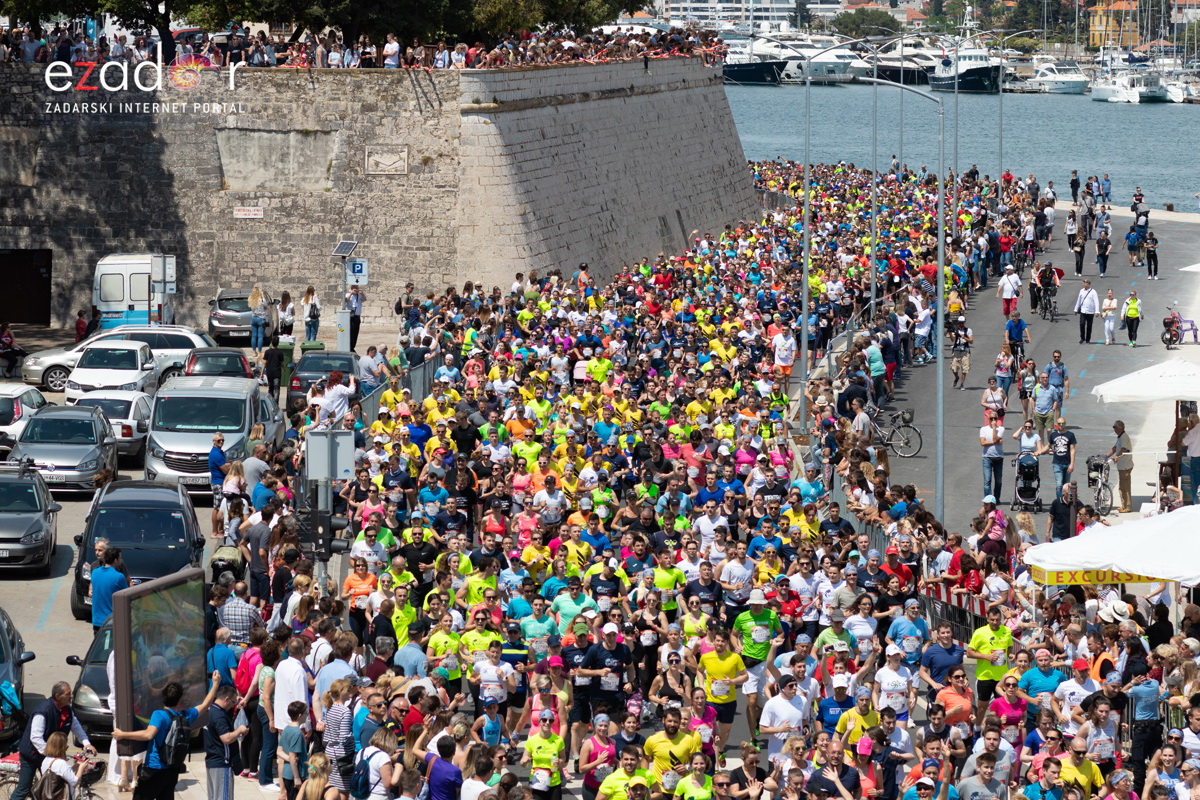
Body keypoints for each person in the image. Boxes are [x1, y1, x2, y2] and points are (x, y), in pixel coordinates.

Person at [113, 673, 222, 800]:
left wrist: (122, 734)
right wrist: (215, 684)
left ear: (163, 697)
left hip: (154, 768)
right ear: (179, 700)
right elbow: (205, 705)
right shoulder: (185, 716)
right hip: (172, 770)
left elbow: (148, 734)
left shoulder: (159, 715)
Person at [12, 682, 96, 800]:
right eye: (68, 694)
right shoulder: (43, 712)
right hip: (32, 755)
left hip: (49, 756)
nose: (71, 696)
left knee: (51, 789)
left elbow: (76, 727)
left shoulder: (67, 710)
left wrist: (86, 743)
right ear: (57, 696)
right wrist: (52, 754)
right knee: (24, 789)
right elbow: (36, 738)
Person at [204, 685, 250, 800]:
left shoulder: (211, 710)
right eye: (233, 702)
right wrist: (239, 730)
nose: (233, 705)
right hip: (221, 763)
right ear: (226, 699)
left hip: (212, 761)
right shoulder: (219, 716)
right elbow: (226, 738)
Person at [90, 546, 128, 633]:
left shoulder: (95, 572)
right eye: (120, 558)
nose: (121, 560)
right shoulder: (119, 577)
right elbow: (126, 596)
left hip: (97, 621)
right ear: (115, 560)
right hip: (111, 622)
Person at [1107, 420, 1134, 514]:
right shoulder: (1120, 437)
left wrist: (1117, 457)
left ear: (1120, 428)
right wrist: (1106, 456)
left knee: (1124, 487)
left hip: (1125, 466)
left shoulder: (1124, 437)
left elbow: (1123, 449)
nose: (1114, 429)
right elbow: (1114, 448)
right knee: (1122, 487)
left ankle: (1127, 507)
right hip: (1122, 466)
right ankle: (1124, 505)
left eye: (1115, 428)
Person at [1073, 279, 1100, 345]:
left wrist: (1097, 311)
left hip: (1090, 312)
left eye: (1084, 283)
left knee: (1089, 326)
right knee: (1082, 324)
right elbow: (1078, 300)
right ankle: (1082, 338)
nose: (1083, 284)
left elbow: (1096, 302)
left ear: (1088, 284)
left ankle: (1088, 339)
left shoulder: (1093, 292)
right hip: (1083, 311)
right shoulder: (1081, 291)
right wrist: (1076, 309)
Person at [345, 285, 365, 351]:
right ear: (351, 289)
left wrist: (363, 294)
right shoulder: (348, 294)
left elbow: (364, 300)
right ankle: (349, 347)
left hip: (357, 316)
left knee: (356, 333)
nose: (355, 290)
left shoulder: (359, 295)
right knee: (350, 332)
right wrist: (351, 293)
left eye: (356, 289)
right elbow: (346, 301)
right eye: (354, 289)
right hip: (350, 316)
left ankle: (352, 347)